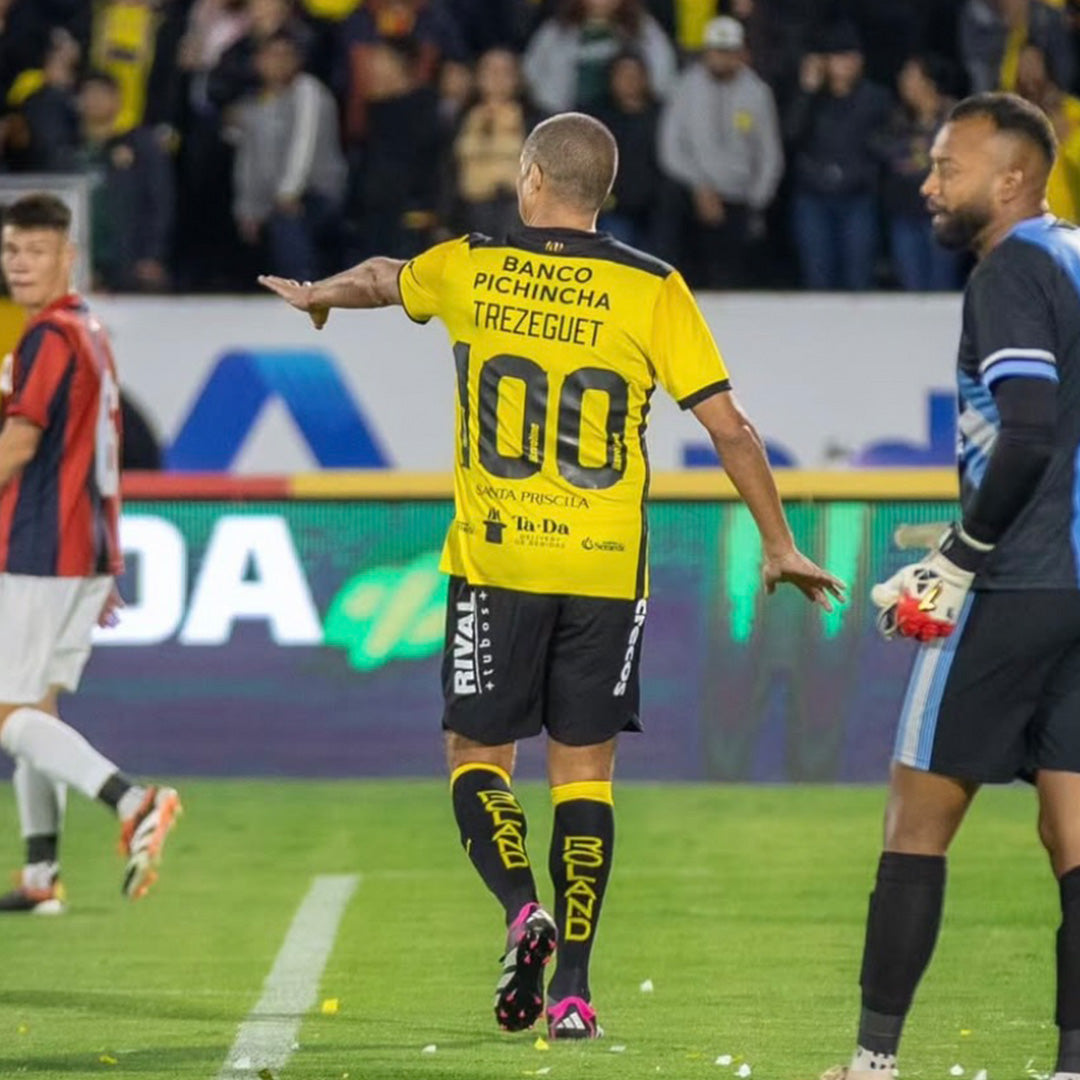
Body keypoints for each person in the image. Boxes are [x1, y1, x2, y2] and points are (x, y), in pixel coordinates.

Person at [260, 111, 845, 1039]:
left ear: (530, 176)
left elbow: (381, 279)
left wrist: (320, 292)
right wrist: (777, 543)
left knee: (476, 759)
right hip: (608, 568)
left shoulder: (472, 261)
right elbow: (730, 426)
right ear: (602, 192)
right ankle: (572, 989)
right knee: (586, 777)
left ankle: (519, 909)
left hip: (501, 559)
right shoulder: (652, 285)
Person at [823, 93, 1080, 1079]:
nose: (929, 185)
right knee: (1073, 837)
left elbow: (1029, 428)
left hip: (1015, 585)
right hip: (1077, 586)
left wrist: (957, 557)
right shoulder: (1073, 255)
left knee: (915, 822)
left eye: (948, 167)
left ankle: (873, 1066)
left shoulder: (1009, 267)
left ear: (1012, 178)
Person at [0, 193, 181, 914]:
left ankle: (134, 800)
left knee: (10, 714)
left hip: (41, 543)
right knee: (34, 708)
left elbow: (21, 441)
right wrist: (104, 563)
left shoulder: (47, 336)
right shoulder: (90, 330)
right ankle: (41, 877)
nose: (20, 263)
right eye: (12, 250)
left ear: (66, 256)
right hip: (84, 546)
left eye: (35, 250)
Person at [657, 15, 783, 288]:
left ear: (741, 53)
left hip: (741, 200)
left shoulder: (757, 92)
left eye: (729, 51)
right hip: (692, 195)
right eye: (717, 50)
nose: (722, 58)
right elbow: (671, 148)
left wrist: (756, 201)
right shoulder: (684, 88)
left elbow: (769, 152)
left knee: (736, 278)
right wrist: (700, 186)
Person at [785, 23, 892, 291]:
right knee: (818, 277)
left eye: (851, 56)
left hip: (857, 197)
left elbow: (887, 144)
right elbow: (791, 134)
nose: (846, 64)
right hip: (813, 198)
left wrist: (863, 171)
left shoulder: (875, 98)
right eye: (839, 56)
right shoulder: (811, 97)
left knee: (859, 278)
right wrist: (807, 91)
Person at [233, 31, 346, 281]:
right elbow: (248, 160)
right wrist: (247, 208)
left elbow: (303, 145)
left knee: (288, 222)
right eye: (271, 56)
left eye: (285, 56)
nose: (278, 62)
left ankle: (304, 291)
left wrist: (288, 193)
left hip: (317, 192)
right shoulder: (253, 104)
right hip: (272, 200)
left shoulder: (309, 92)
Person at [77, 69, 175, 293]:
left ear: (116, 100)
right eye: (88, 94)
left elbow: (160, 200)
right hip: (83, 261)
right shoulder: (69, 151)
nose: (94, 101)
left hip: (128, 259)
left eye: (102, 94)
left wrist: (153, 254)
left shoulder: (142, 146)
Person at [875, 55, 961, 290]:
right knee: (911, 289)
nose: (903, 82)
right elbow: (888, 153)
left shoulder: (956, 117)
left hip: (941, 216)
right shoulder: (897, 118)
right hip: (905, 213)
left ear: (929, 82)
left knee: (941, 287)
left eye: (910, 76)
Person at [523, 0, 676, 115]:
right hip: (570, 116)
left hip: (624, 121)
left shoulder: (641, 27)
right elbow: (532, 69)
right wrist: (550, 102)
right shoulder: (558, 29)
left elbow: (663, 68)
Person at [448, 48, 537, 239]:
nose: (497, 77)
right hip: (467, 210)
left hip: (516, 210)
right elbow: (447, 169)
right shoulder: (460, 118)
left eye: (505, 71)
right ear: (477, 77)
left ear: (518, 78)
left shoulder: (536, 119)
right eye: (490, 70)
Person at [594, 52, 662, 249]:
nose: (629, 81)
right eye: (623, 75)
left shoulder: (661, 115)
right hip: (613, 208)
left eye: (635, 75)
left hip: (655, 209)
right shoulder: (598, 117)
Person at [1016, 43, 1080, 222]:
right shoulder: (1012, 119)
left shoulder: (1071, 110)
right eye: (1023, 65)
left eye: (1034, 63)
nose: (1029, 72)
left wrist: (1070, 138)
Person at [960, 0, 1074, 97]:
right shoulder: (974, 17)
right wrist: (1011, 29)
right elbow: (981, 88)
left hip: (1048, 108)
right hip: (999, 107)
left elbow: (1066, 78)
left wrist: (1034, 50)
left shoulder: (1047, 15)